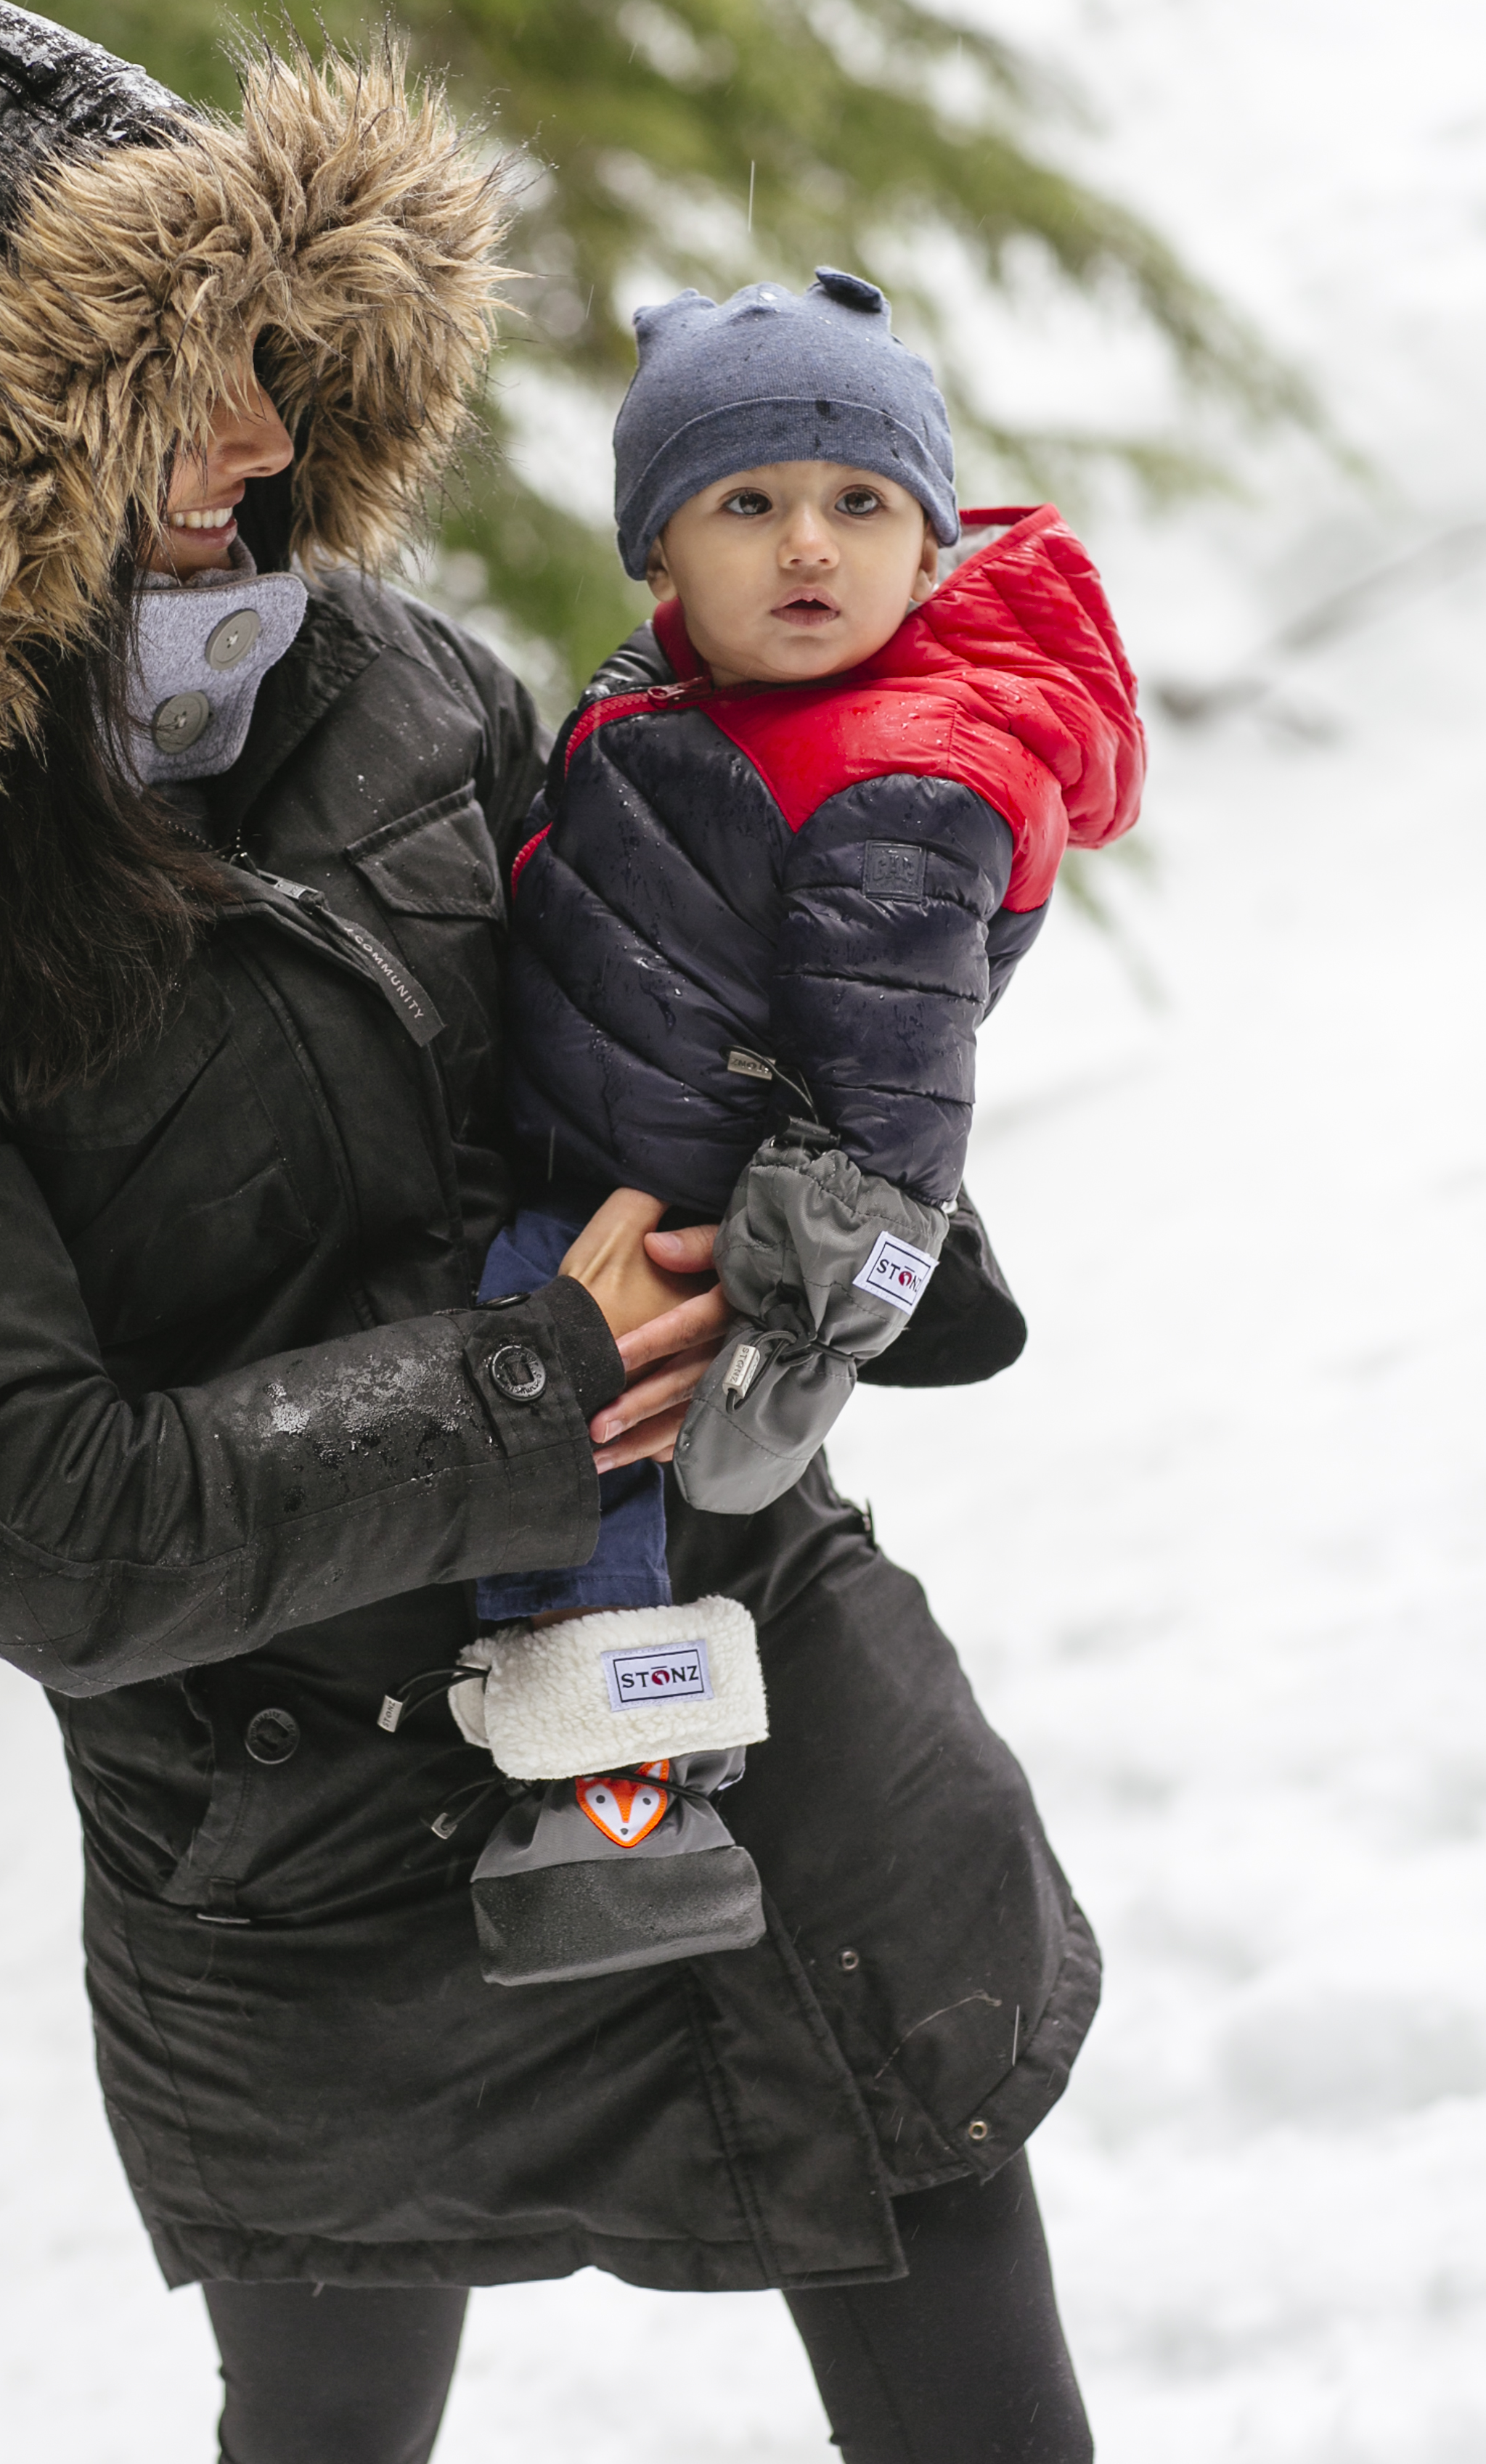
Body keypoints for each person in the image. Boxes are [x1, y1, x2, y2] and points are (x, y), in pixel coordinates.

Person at [0, 0, 1105, 2464]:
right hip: (298, 1835)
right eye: (166, 384)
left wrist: (856, 1181)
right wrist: (535, 1380)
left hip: (729, 1678)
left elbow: (651, 1051)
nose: (249, 445)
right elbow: (46, 1522)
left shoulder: (405, 678)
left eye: (282, 361)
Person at [447, 277, 1143, 1992]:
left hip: (683, 1204)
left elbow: (895, 1088)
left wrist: (806, 1297)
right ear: (660, 556)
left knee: (576, 1402)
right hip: (598, 1115)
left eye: (860, 504)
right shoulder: (702, 691)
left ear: (926, 542)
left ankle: (625, 1783)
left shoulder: (899, 774)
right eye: (743, 505)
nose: (806, 547)